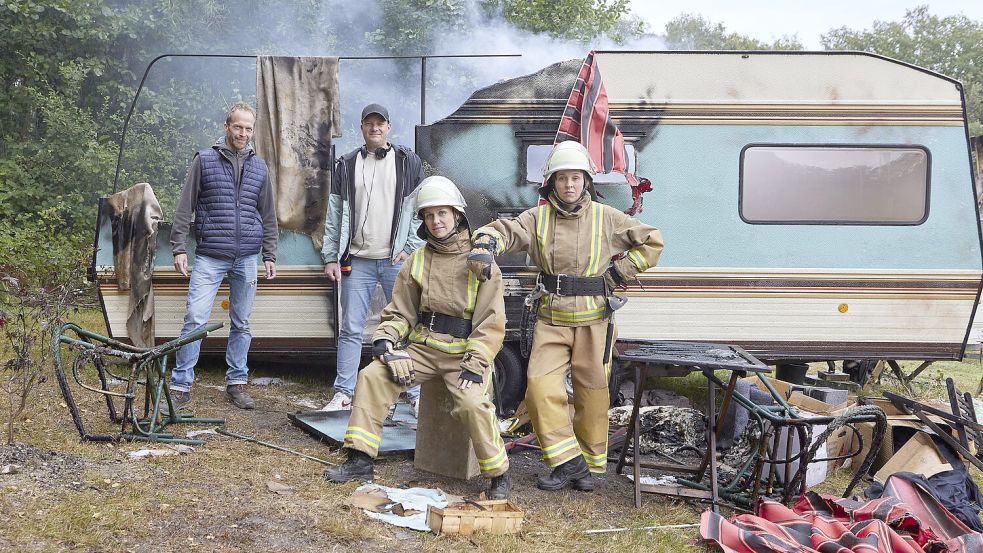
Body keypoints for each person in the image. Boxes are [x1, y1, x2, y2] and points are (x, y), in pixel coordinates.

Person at [467, 141, 663, 491]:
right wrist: (485, 244)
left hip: (594, 322)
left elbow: (652, 241)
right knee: (540, 390)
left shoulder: (608, 218)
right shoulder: (537, 218)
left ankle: (588, 467)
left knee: (593, 393)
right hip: (551, 320)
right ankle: (567, 460)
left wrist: (621, 273)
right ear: (551, 184)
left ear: (586, 182)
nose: (569, 185)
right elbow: (504, 230)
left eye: (576, 178)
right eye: (562, 178)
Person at [324, 176, 511, 499]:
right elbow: (401, 312)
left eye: (442, 214)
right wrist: (385, 343)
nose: (436, 221)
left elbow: (491, 323)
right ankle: (360, 458)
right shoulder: (418, 259)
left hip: (462, 355)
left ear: (457, 216)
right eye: (429, 215)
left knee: (472, 403)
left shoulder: (481, 262)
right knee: (372, 377)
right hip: (423, 349)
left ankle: (498, 475)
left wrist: (475, 364)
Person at [168, 101, 278, 412]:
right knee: (195, 320)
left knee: (241, 323)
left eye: (248, 128)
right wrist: (178, 247)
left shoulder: (260, 166)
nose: (243, 133)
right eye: (238, 126)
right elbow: (184, 206)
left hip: (247, 257)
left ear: (252, 132)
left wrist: (270, 253)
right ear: (226, 127)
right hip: (210, 255)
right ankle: (180, 386)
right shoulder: (204, 160)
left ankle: (237, 383)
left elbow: (268, 214)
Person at [321, 103, 425, 413]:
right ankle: (343, 393)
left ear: (389, 127)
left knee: (407, 325)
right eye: (369, 123)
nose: (375, 128)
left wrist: (411, 247)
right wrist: (331, 256)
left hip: (396, 260)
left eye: (380, 123)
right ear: (362, 128)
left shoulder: (408, 162)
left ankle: (415, 393)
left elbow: (421, 210)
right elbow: (335, 213)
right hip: (357, 260)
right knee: (351, 328)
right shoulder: (347, 164)